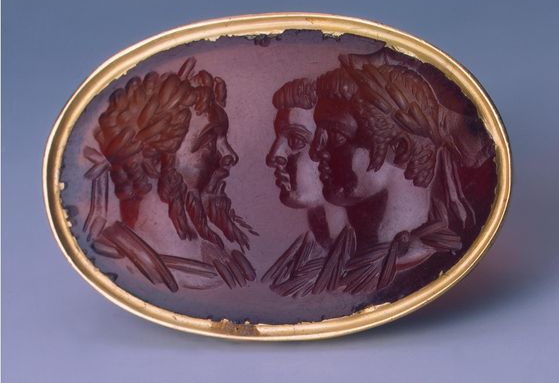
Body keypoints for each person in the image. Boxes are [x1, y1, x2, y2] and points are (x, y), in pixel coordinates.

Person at [308, 49, 494, 294]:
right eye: (318, 135)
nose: (315, 152)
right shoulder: (321, 259)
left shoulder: (433, 258)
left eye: (336, 135)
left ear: (399, 149)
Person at [83, 58, 257, 292]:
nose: (230, 155)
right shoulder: (129, 262)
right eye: (209, 142)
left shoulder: (217, 256)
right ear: (154, 160)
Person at [262, 78, 353, 297]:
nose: (274, 156)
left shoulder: (360, 262)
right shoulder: (294, 258)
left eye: (296, 140)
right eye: (277, 139)